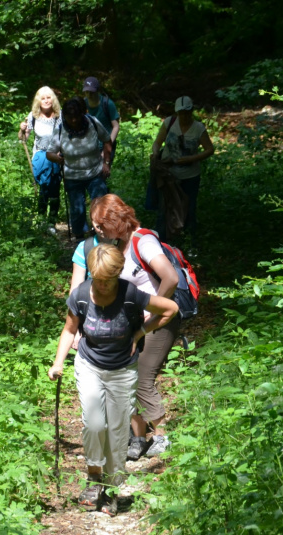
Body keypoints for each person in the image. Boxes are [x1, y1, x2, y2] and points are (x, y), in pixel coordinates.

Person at [49, 243, 178, 516]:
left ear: (118, 274)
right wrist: (58, 362)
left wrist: (139, 332)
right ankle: (94, 477)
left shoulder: (130, 293)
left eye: (109, 280)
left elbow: (170, 309)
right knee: (95, 424)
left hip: (122, 370)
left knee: (118, 432)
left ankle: (112, 490)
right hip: (90, 366)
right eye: (99, 279)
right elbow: (69, 330)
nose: (104, 285)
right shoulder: (81, 295)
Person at [69, 194, 181, 460]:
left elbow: (171, 277)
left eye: (100, 224)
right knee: (123, 374)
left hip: (158, 320)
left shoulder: (144, 240)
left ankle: (162, 435)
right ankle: (138, 436)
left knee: (141, 374)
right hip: (134, 323)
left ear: (114, 220)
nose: (97, 229)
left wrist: (147, 312)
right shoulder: (121, 244)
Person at [150, 96, 214, 245]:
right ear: (176, 112)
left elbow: (209, 149)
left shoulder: (198, 128)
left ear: (191, 112)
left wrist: (192, 158)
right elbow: (157, 143)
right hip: (168, 175)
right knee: (164, 208)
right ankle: (162, 243)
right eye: (181, 113)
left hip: (190, 176)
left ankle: (190, 242)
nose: (184, 116)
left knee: (189, 209)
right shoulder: (170, 123)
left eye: (187, 113)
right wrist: (155, 153)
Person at [46, 97, 112, 240]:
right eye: (70, 118)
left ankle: (100, 235)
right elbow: (49, 153)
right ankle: (81, 239)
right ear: (65, 117)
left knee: (100, 206)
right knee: (77, 210)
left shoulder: (93, 123)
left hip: (95, 173)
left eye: (76, 117)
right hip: (72, 176)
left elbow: (107, 140)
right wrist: (57, 158)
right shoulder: (60, 130)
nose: (74, 120)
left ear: (82, 114)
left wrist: (106, 162)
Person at [19, 86, 62, 221]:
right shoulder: (33, 116)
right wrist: (21, 130)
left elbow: (64, 136)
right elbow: (23, 138)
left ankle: (52, 221)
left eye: (49, 97)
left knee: (54, 188)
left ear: (53, 99)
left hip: (55, 156)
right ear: (38, 100)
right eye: (43, 98)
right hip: (40, 156)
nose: (46, 101)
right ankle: (41, 219)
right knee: (44, 187)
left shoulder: (59, 115)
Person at [83, 76, 121, 163]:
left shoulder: (107, 104)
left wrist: (107, 147)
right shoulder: (83, 104)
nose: (89, 95)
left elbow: (116, 126)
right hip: (89, 144)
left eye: (91, 92)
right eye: (86, 92)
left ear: (97, 91)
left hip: (105, 143)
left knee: (103, 173)